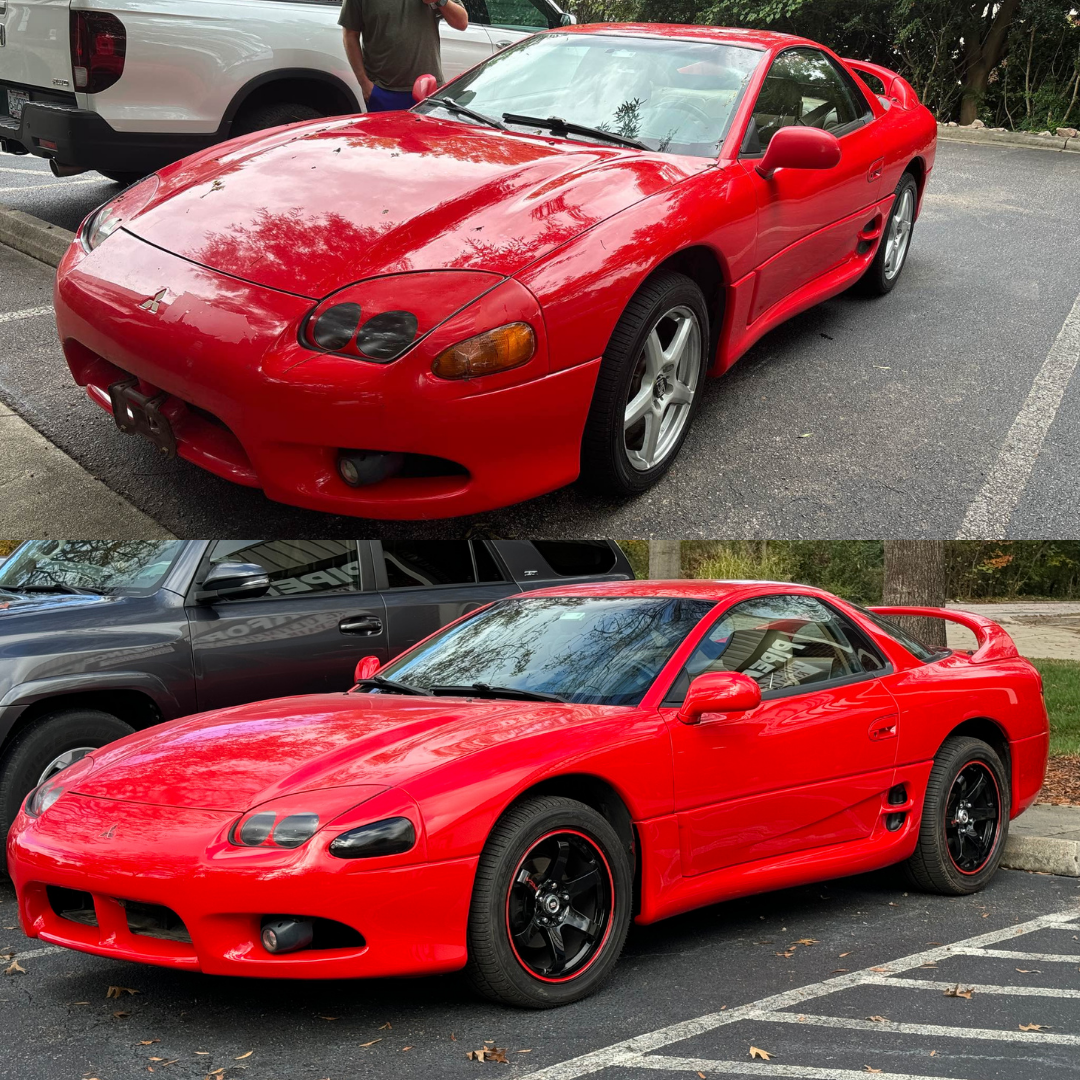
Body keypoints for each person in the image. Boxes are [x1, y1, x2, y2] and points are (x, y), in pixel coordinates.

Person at [340, 0, 470, 113]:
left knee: (426, 141)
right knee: (387, 141)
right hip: (383, 90)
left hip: (430, 91)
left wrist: (440, 1)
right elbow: (350, 34)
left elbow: (462, 22)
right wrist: (365, 84)